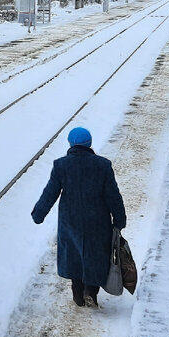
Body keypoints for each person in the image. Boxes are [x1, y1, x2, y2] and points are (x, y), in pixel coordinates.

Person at [31, 126, 127, 308]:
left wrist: (38, 214)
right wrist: (119, 219)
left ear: (71, 144)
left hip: (71, 222)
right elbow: (113, 195)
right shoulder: (103, 165)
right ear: (89, 144)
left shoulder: (61, 165)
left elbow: (50, 193)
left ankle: (77, 293)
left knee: (75, 256)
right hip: (97, 221)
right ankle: (91, 291)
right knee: (96, 255)